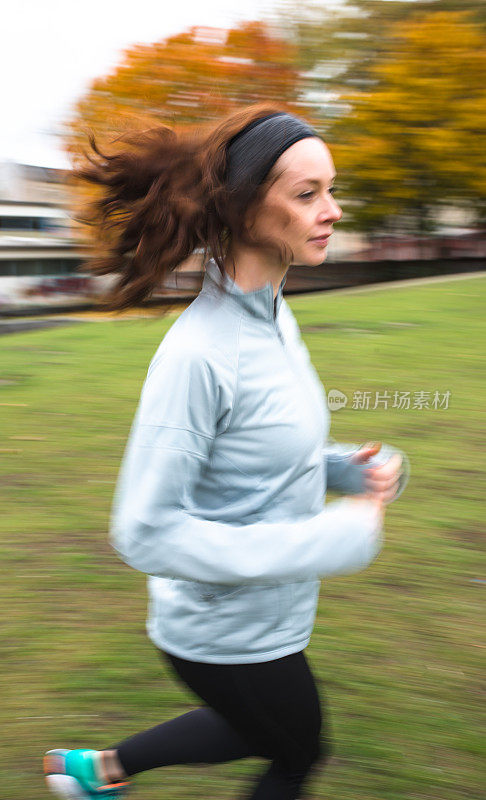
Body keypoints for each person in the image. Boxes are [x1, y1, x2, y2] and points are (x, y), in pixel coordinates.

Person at [43, 104, 410, 800]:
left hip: (265, 617)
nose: (332, 210)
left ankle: (97, 772)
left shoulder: (273, 315)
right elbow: (142, 529)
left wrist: (343, 468)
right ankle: (100, 773)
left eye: (332, 189)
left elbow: (257, 442)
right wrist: (329, 539)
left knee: (258, 733)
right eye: (307, 195)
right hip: (224, 631)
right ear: (243, 208)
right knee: (297, 754)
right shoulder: (199, 352)